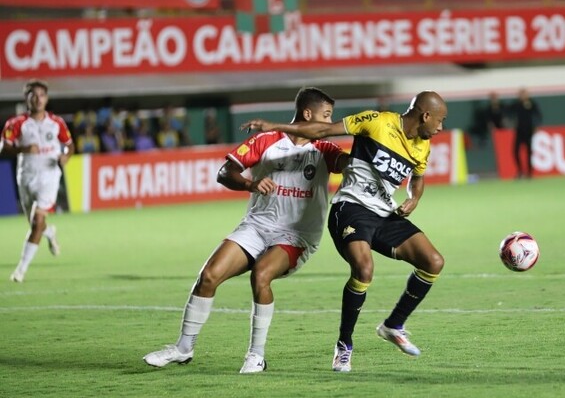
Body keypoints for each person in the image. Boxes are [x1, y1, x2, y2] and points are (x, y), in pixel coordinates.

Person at [143, 87, 349, 374]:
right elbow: (225, 173)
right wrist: (250, 184)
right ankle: (183, 349)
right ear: (307, 114)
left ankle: (256, 355)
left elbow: (349, 165)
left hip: (296, 235)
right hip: (257, 226)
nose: (329, 123)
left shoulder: (325, 149)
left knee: (261, 274)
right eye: (326, 116)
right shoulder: (265, 141)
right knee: (209, 276)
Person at [241, 90, 447, 373]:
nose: (440, 127)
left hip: (384, 213)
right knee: (364, 269)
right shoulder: (376, 122)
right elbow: (324, 129)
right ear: (425, 116)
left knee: (433, 262)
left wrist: (414, 197)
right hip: (350, 208)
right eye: (439, 120)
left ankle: (393, 325)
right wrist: (276, 126)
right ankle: (344, 346)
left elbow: (418, 178)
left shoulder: (422, 145)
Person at [1, 79, 74, 283]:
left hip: (49, 176)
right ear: (27, 99)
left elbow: (69, 145)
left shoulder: (56, 122)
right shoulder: (16, 123)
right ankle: (49, 233)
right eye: (34, 96)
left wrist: (66, 156)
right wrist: (23, 149)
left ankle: (20, 270)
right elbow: (3, 147)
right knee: (36, 226)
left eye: (42, 95)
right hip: (26, 176)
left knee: (36, 222)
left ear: (46, 98)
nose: (39, 99)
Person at [507, 88, 542, 179]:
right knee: (515, 151)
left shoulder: (531, 104)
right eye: (521, 94)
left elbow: (538, 115)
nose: (523, 96)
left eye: (524, 94)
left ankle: (529, 173)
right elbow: (509, 113)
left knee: (529, 152)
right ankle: (520, 171)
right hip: (519, 130)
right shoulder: (516, 104)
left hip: (529, 130)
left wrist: (536, 126)